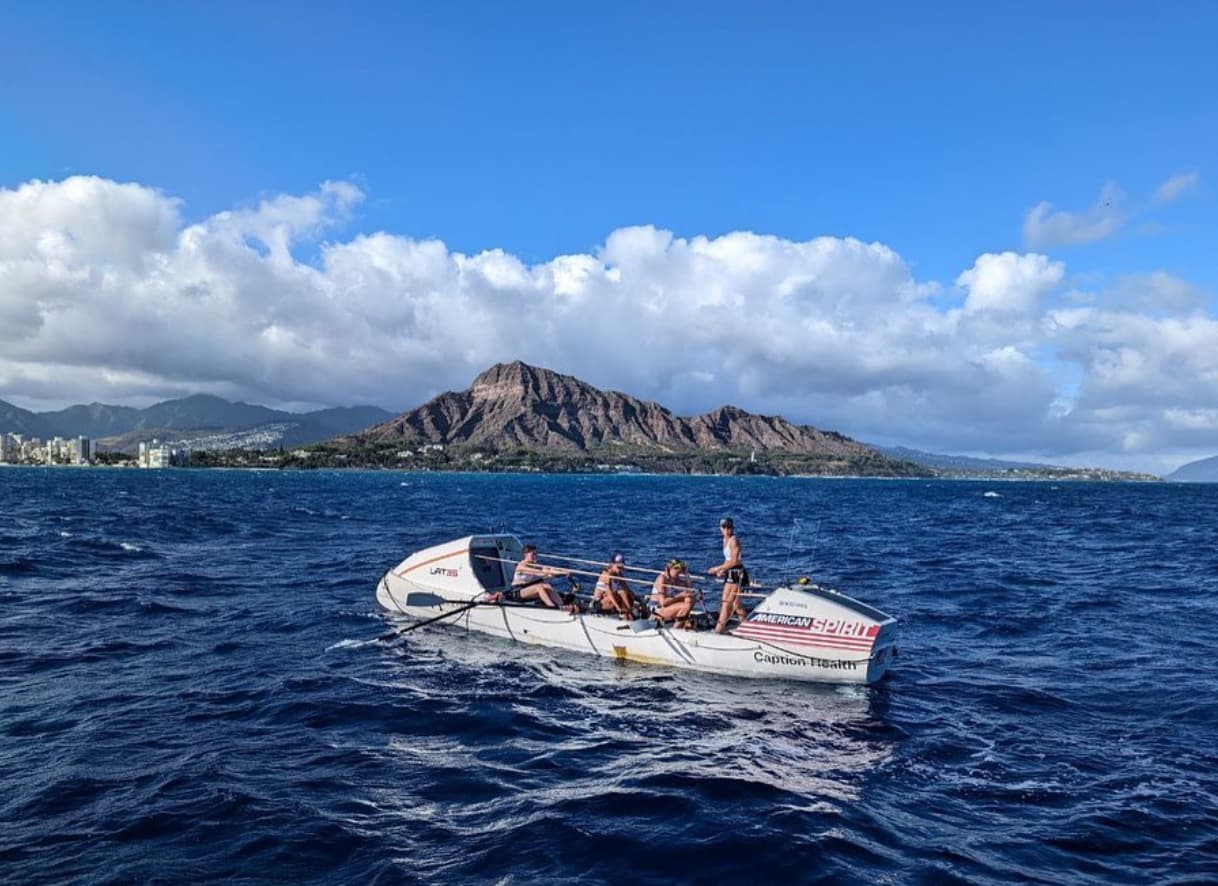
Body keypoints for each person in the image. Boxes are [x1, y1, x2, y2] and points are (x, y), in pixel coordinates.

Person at [708, 517, 748, 633]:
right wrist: (723, 570)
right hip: (730, 573)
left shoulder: (733, 540)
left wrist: (717, 568)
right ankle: (745, 627)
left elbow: (735, 561)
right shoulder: (724, 540)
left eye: (728, 527)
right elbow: (728, 559)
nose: (726, 530)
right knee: (736, 605)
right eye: (724, 527)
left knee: (727, 603)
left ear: (732, 528)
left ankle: (718, 631)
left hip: (737, 574)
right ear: (720, 528)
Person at [512, 544, 577, 614]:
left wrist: (563, 572)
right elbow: (539, 572)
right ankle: (553, 608)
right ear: (525, 555)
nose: (535, 556)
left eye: (536, 554)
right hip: (518, 592)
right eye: (533, 554)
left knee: (546, 586)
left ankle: (561, 605)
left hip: (528, 589)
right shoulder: (521, 566)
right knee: (539, 587)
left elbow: (549, 570)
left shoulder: (534, 565)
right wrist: (548, 573)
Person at [651, 559, 695, 628]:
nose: (678, 575)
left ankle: (680, 623)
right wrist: (680, 596)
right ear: (670, 569)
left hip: (666, 606)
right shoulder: (662, 578)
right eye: (677, 573)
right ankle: (676, 629)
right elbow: (663, 602)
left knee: (690, 598)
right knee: (686, 606)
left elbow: (689, 589)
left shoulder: (673, 578)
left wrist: (686, 574)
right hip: (657, 609)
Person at [593, 552, 637, 620]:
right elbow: (609, 593)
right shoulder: (607, 574)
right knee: (622, 593)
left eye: (622, 564)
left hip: (610, 598)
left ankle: (629, 615)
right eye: (618, 564)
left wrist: (637, 600)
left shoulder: (619, 574)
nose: (621, 566)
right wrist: (618, 607)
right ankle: (628, 613)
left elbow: (626, 588)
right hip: (600, 602)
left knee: (625, 593)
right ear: (612, 564)